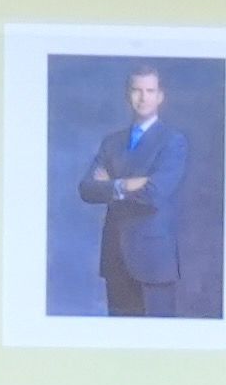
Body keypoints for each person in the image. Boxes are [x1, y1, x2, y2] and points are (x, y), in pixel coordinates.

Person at [78, 66, 196, 317]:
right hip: (115, 258)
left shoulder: (173, 141)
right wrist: (126, 184)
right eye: (136, 90)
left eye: (149, 91)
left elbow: (155, 193)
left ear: (160, 96)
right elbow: (87, 189)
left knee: (157, 345)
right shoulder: (112, 142)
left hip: (153, 260)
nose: (143, 97)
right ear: (127, 95)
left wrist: (110, 185)